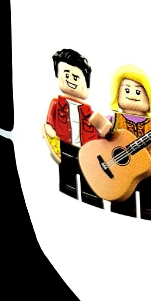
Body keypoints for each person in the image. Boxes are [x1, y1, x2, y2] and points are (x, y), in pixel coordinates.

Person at [95, 65, 151, 223]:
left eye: (139, 91)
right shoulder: (114, 120)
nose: (133, 95)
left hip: (150, 173)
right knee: (122, 211)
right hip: (119, 174)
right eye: (127, 90)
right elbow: (98, 139)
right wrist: (102, 128)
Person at [43, 48, 109, 207]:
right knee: (68, 182)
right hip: (65, 148)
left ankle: (92, 201)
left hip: (88, 152)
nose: (71, 80)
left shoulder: (90, 112)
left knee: (90, 185)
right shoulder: (56, 104)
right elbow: (49, 124)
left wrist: (106, 130)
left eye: (76, 77)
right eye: (66, 75)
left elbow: (103, 132)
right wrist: (50, 133)